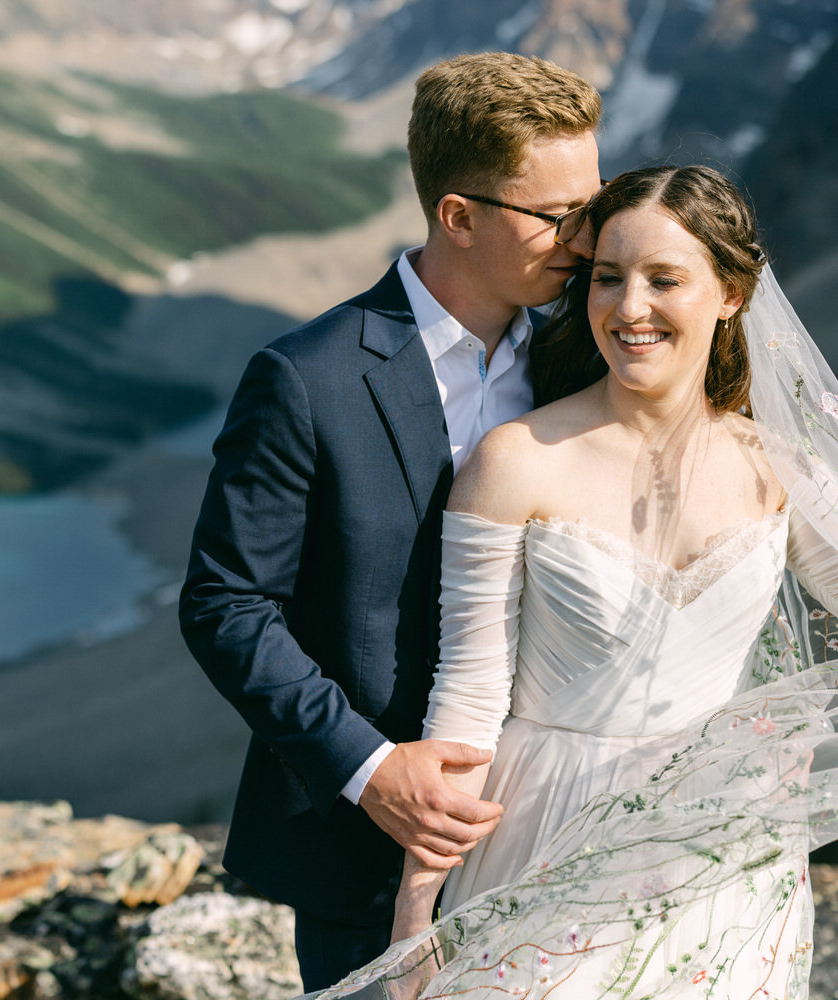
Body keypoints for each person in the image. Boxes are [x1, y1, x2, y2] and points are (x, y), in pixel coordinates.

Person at [316, 165, 838, 999]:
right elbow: (469, 697)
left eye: (663, 279)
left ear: (732, 294)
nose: (628, 307)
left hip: (726, 857)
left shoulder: (779, 465)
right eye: (607, 277)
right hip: (542, 833)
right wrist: (420, 910)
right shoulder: (515, 462)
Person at [179, 52, 604, 991]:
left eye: (593, 204)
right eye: (557, 216)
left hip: (560, 840)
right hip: (366, 858)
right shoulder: (306, 377)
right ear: (458, 215)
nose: (587, 241)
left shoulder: (592, 353)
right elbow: (225, 604)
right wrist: (372, 771)